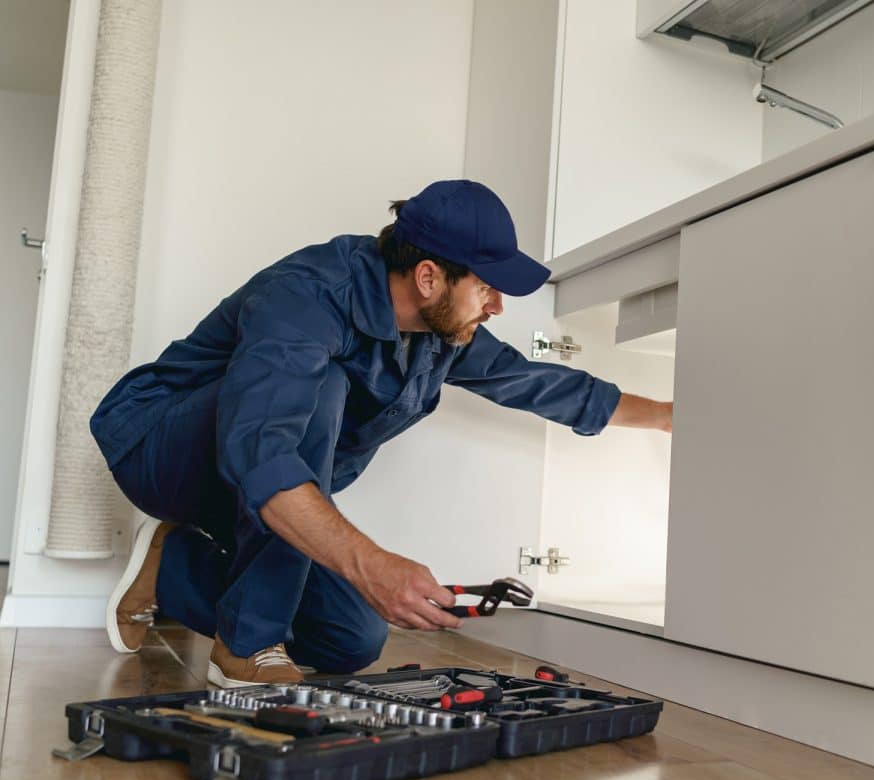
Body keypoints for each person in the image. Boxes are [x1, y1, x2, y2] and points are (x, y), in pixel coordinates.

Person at [90, 180, 673, 687]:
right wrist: (371, 564)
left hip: (258, 487)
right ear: (428, 277)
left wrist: (671, 416)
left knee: (352, 638)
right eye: (486, 287)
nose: (496, 306)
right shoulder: (307, 296)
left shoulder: (440, 333)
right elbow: (262, 453)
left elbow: (538, 384)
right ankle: (245, 648)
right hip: (159, 448)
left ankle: (170, 566)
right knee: (326, 385)